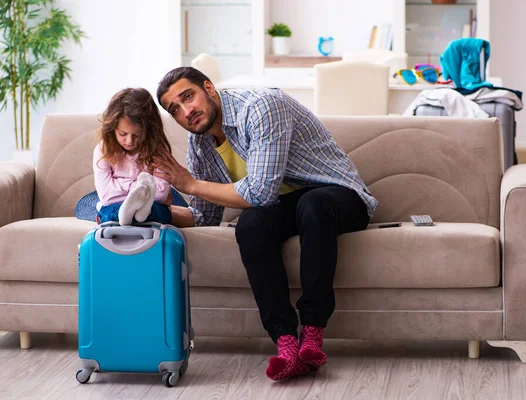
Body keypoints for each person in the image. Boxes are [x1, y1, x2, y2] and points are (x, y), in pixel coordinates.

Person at [155, 67, 378, 381]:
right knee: (250, 226)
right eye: (174, 109)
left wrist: (190, 185)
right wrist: (157, 210)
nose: (186, 110)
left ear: (209, 88)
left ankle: (312, 334)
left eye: (188, 96)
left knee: (312, 205)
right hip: (285, 206)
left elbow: (260, 191)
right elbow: (205, 216)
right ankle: (286, 342)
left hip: (337, 195)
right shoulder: (201, 145)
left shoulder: (261, 105)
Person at [93, 88, 173, 226]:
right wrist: (142, 187)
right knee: (109, 212)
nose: (129, 141)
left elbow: (161, 194)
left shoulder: (157, 150)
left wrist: (119, 184)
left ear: (149, 131)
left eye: (136, 135)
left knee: (161, 212)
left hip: (151, 207)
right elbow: (106, 196)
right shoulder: (103, 150)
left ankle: (140, 213)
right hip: (116, 205)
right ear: (112, 129)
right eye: (123, 134)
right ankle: (134, 213)